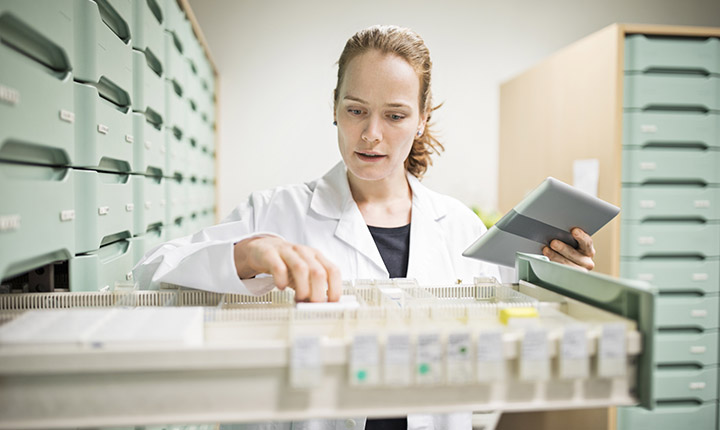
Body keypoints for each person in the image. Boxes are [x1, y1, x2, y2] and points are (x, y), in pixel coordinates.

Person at [133, 25, 596, 430]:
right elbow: (149, 275)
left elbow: (526, 331)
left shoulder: (459, 227)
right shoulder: (273, 212)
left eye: (395, 115)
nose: (372, 133)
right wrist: (246, 253)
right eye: (356, 110)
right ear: (334, 107)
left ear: (421, 121)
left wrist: (563, 280)